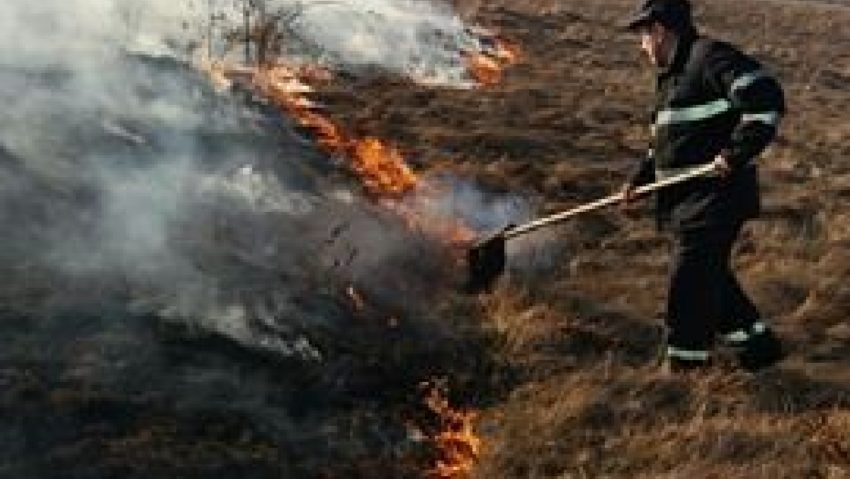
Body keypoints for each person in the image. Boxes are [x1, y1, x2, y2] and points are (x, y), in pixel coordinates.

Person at [620, 0, 785, 371]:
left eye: (643, 36)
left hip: (714, 201)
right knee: (712, 281)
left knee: (689, 286)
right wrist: (638, 180)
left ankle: (683, 374)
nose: (641, 46)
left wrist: (735, 153)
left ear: (659, 31)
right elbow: (662, 147)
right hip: (685, 205)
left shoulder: (709, 57)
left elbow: (765, 96)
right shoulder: (670, 81)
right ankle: (760, 351)